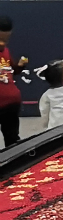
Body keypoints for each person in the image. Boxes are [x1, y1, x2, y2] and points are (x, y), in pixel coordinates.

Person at [0, 17, 25, 149]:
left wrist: (19, 66)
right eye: (1, 39)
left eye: (6, 39)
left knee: (12, 139)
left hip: (11, 102)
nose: (3, 43)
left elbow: (11, 71)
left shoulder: (6, 51)